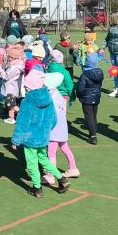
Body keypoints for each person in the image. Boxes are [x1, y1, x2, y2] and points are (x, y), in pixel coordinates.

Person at [10, 69, 70, 198]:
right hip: (43, 137)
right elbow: (53, 119)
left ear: (31, 86)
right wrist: (45, 131)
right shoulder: (49, 98)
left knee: (32, 164)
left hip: (30, 139)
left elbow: (22, 124)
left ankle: (37, 188)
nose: (25, 87)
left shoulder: (27, 102)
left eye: (26, 86)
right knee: (44, 160)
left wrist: (16, 140)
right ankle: (61, 178)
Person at [43, 72, 79, 180]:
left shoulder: (49, 96)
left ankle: (50, 176)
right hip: (62, 127)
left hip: (54, 129)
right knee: (64, 147)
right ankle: (73, 168)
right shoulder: (58, 94)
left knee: (51, 152)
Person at [76, 53, 104, 145]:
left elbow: (80, 88)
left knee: (89, 117)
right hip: (96, 97)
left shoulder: (84, 75)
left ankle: (93, 135)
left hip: (86, 98)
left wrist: (79, 95)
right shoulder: (100, 73)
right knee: (93, 115)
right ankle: (93, 132)